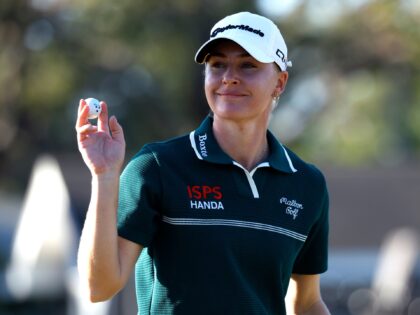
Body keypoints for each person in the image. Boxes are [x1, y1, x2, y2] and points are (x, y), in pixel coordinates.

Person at [76, 11, 331, 315]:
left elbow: (307, 302)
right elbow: (99, 287)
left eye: (248, 65)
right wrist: (104, 177)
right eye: (217, 64)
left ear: (280, 82)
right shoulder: (156, 167)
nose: (229, 77)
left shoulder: (307, 184)